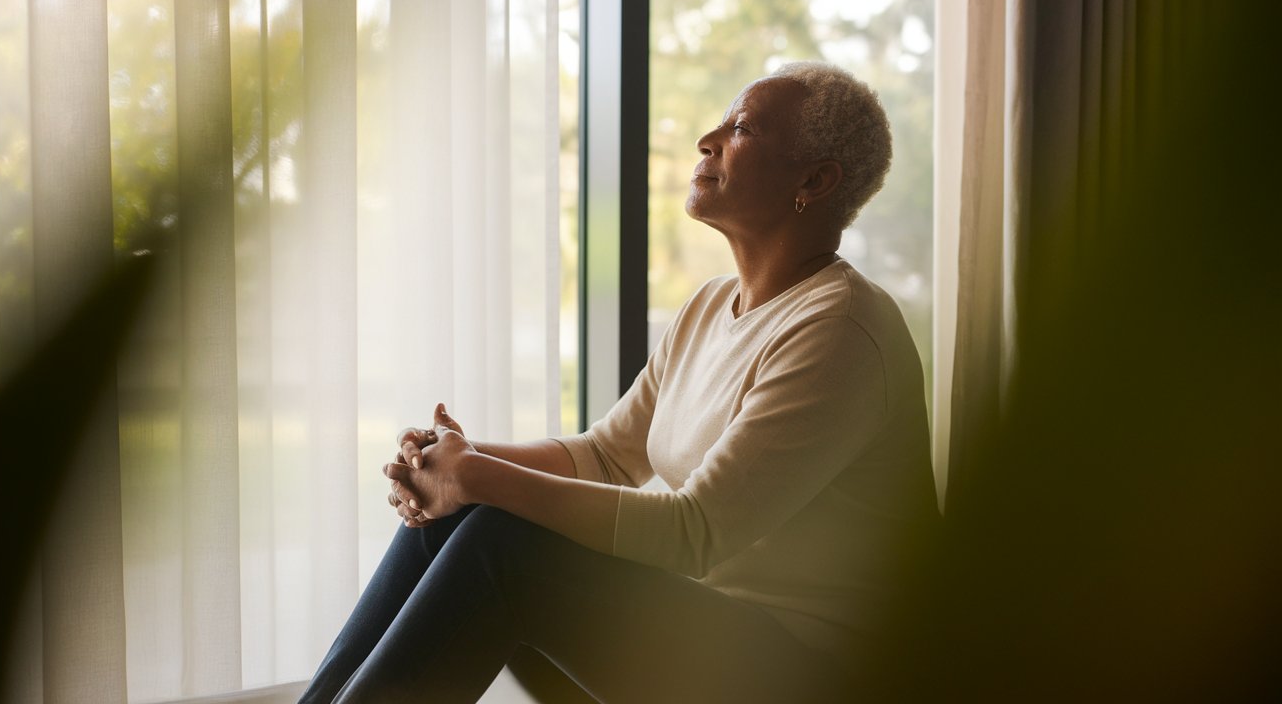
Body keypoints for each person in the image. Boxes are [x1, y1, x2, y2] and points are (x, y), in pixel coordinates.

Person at [299, 61, 940, 703]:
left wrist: (478, 478)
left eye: (741, 129)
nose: (707, 139)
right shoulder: (711, 306)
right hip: (711, 639)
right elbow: (606, 457)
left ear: (814, 179)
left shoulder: (841, 330)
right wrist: (456, 462)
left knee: (502, 539)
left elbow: (694, 532)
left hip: (813, 673)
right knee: (456, 516)